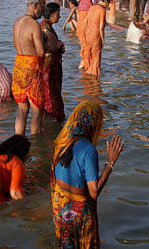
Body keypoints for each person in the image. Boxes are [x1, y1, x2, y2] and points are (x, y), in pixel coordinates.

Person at [51, 101, 123, 249]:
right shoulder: (88, 150)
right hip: (79, 213)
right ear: (93, 124)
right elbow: (94, 192)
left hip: (60, 209)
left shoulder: (62, 142)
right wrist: (110, 164)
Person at [12, 0, 46, 135]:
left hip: (18, 66)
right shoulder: (34, 25)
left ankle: (19, 140)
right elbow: (41, 52)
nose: (42, 11)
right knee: (36, 110)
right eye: (42, 8)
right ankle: (36, 144)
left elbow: (15, 44)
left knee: (22, 109)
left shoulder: (17, 22)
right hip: (32, 69)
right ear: (35, 6)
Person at [41, 3, 65, 121]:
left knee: (51, 95)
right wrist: (59, 45)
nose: (59, 17)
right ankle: (54, 120)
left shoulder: (46, 26)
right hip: (50, 69)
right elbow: (52, 47)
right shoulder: (46, 30)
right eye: (57, 14)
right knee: (52, 96)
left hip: (51, 68)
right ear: (50, 15)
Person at [83, 0, 110, 77]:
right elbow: (101, 27)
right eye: (108, 3)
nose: (108, 5)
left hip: (88, 37)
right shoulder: (102, 10)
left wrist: (84, 36)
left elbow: (84, 23)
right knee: (96, 63)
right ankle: (95, 85)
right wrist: (103, 40)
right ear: (105, 1)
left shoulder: (92, 7)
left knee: (90, 61)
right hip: (95, 37)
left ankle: (86, 80)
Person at [78, 0, 97, 71]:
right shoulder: (88, 2)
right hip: (85, 31)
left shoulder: (84, 0)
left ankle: (84, 68)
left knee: (85, 52)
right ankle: (86, 73)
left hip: (81, 30)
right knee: (87, 52)